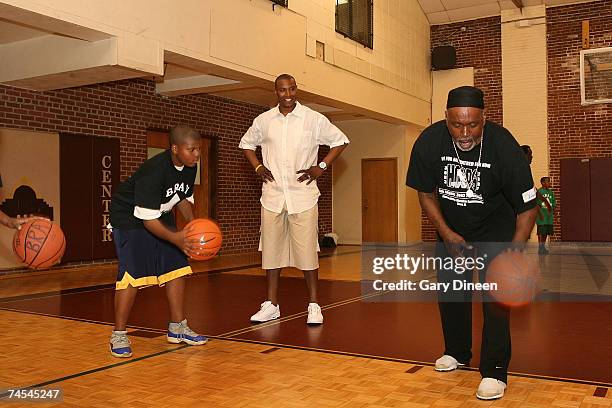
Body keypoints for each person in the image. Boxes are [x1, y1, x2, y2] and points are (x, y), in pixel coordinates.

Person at [406, 86, 537, 400]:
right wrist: (446, 232)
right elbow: (425, 193)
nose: (464, 132)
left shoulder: (504, 146)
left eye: (472, 124)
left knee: (495, 304)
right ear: (446, 118)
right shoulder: (428, 141)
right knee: (452, 294)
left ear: (484, 119)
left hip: (497, 231)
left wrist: (514, 251)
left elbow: (527, 206)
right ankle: (457, 351)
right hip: (453, 231)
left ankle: (494, 372)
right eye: (456, 124)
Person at [239, 74, 349, 325]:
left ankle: (314, 305)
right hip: (273, 196)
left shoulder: (313, 119)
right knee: (271, 252)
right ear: (275, 92)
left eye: (291, 89)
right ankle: (272, 305)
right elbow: (246, 143)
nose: (287, 94)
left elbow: (340, 141)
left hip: (303, 196)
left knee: (308, 252)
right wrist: (257, 167)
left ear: (296, 90)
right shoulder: (264, 121)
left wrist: (321, 166)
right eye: (282, 90)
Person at [108, 125, 207, 358]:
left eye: (198, 149)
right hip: (130, 217)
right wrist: (177, 238)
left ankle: (177, 327)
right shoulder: (154, 171)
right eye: (191, 149)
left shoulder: (189, 166)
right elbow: (147, 222)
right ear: (175, 148)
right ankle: (119, 334)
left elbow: (181, 197)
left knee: (177, 267)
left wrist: (191, 228)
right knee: (131, 274)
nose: (196, 154)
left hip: (157, 214)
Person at [536, 176, 555, 254]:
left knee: (546, 232)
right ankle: (540, 248)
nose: (549, 183)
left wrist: (552, 208)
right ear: (543, 183)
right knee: (541, 232)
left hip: (549, 216)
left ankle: (543, 247)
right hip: (542, 215)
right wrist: (540, 213)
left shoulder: (551, 192)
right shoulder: (539, 192)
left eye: (550, 181)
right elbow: (537, 203)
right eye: (548, 181)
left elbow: (553, 202)